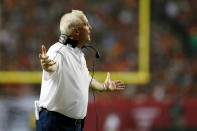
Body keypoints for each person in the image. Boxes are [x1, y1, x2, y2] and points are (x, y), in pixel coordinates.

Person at [36, 10, 125, 131]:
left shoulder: (78, 54)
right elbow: (51, 67)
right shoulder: (58, 51)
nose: (90, 28)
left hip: (74, 125)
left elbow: (86, 79)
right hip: (55, 123)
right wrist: (46, 65)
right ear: (76, 31)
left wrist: (104, 86)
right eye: (86, 25)